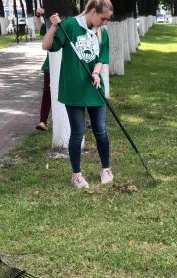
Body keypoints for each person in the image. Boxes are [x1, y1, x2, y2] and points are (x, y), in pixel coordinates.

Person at [42, 0, 114, 189]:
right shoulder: (70, 26)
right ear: (92, 12)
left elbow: (102, 57)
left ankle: (106, 169)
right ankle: (76, 175)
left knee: (101, 131)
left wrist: (96, 72)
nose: (104, 22)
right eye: (103, 18)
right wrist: (53, 27)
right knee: (78, 132)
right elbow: (47, 46)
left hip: (94, 88)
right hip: (73, 89)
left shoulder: (102, 32)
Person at [36, 7, 50, 131]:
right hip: (50, 65)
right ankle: (43, 121)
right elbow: (41, 29)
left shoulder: (70, 21)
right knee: (47, 93)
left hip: (67, 65)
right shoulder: (51, 23)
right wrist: (38, 16)